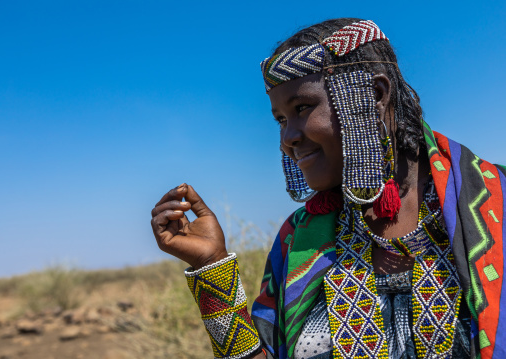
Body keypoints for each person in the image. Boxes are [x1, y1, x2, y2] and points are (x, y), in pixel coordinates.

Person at [150, 18, 506, 359]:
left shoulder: (495, 204)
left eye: (302, 108)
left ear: (376, 94)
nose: (287, 139)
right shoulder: (297, 239)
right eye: (280, 120)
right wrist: (211, 265)